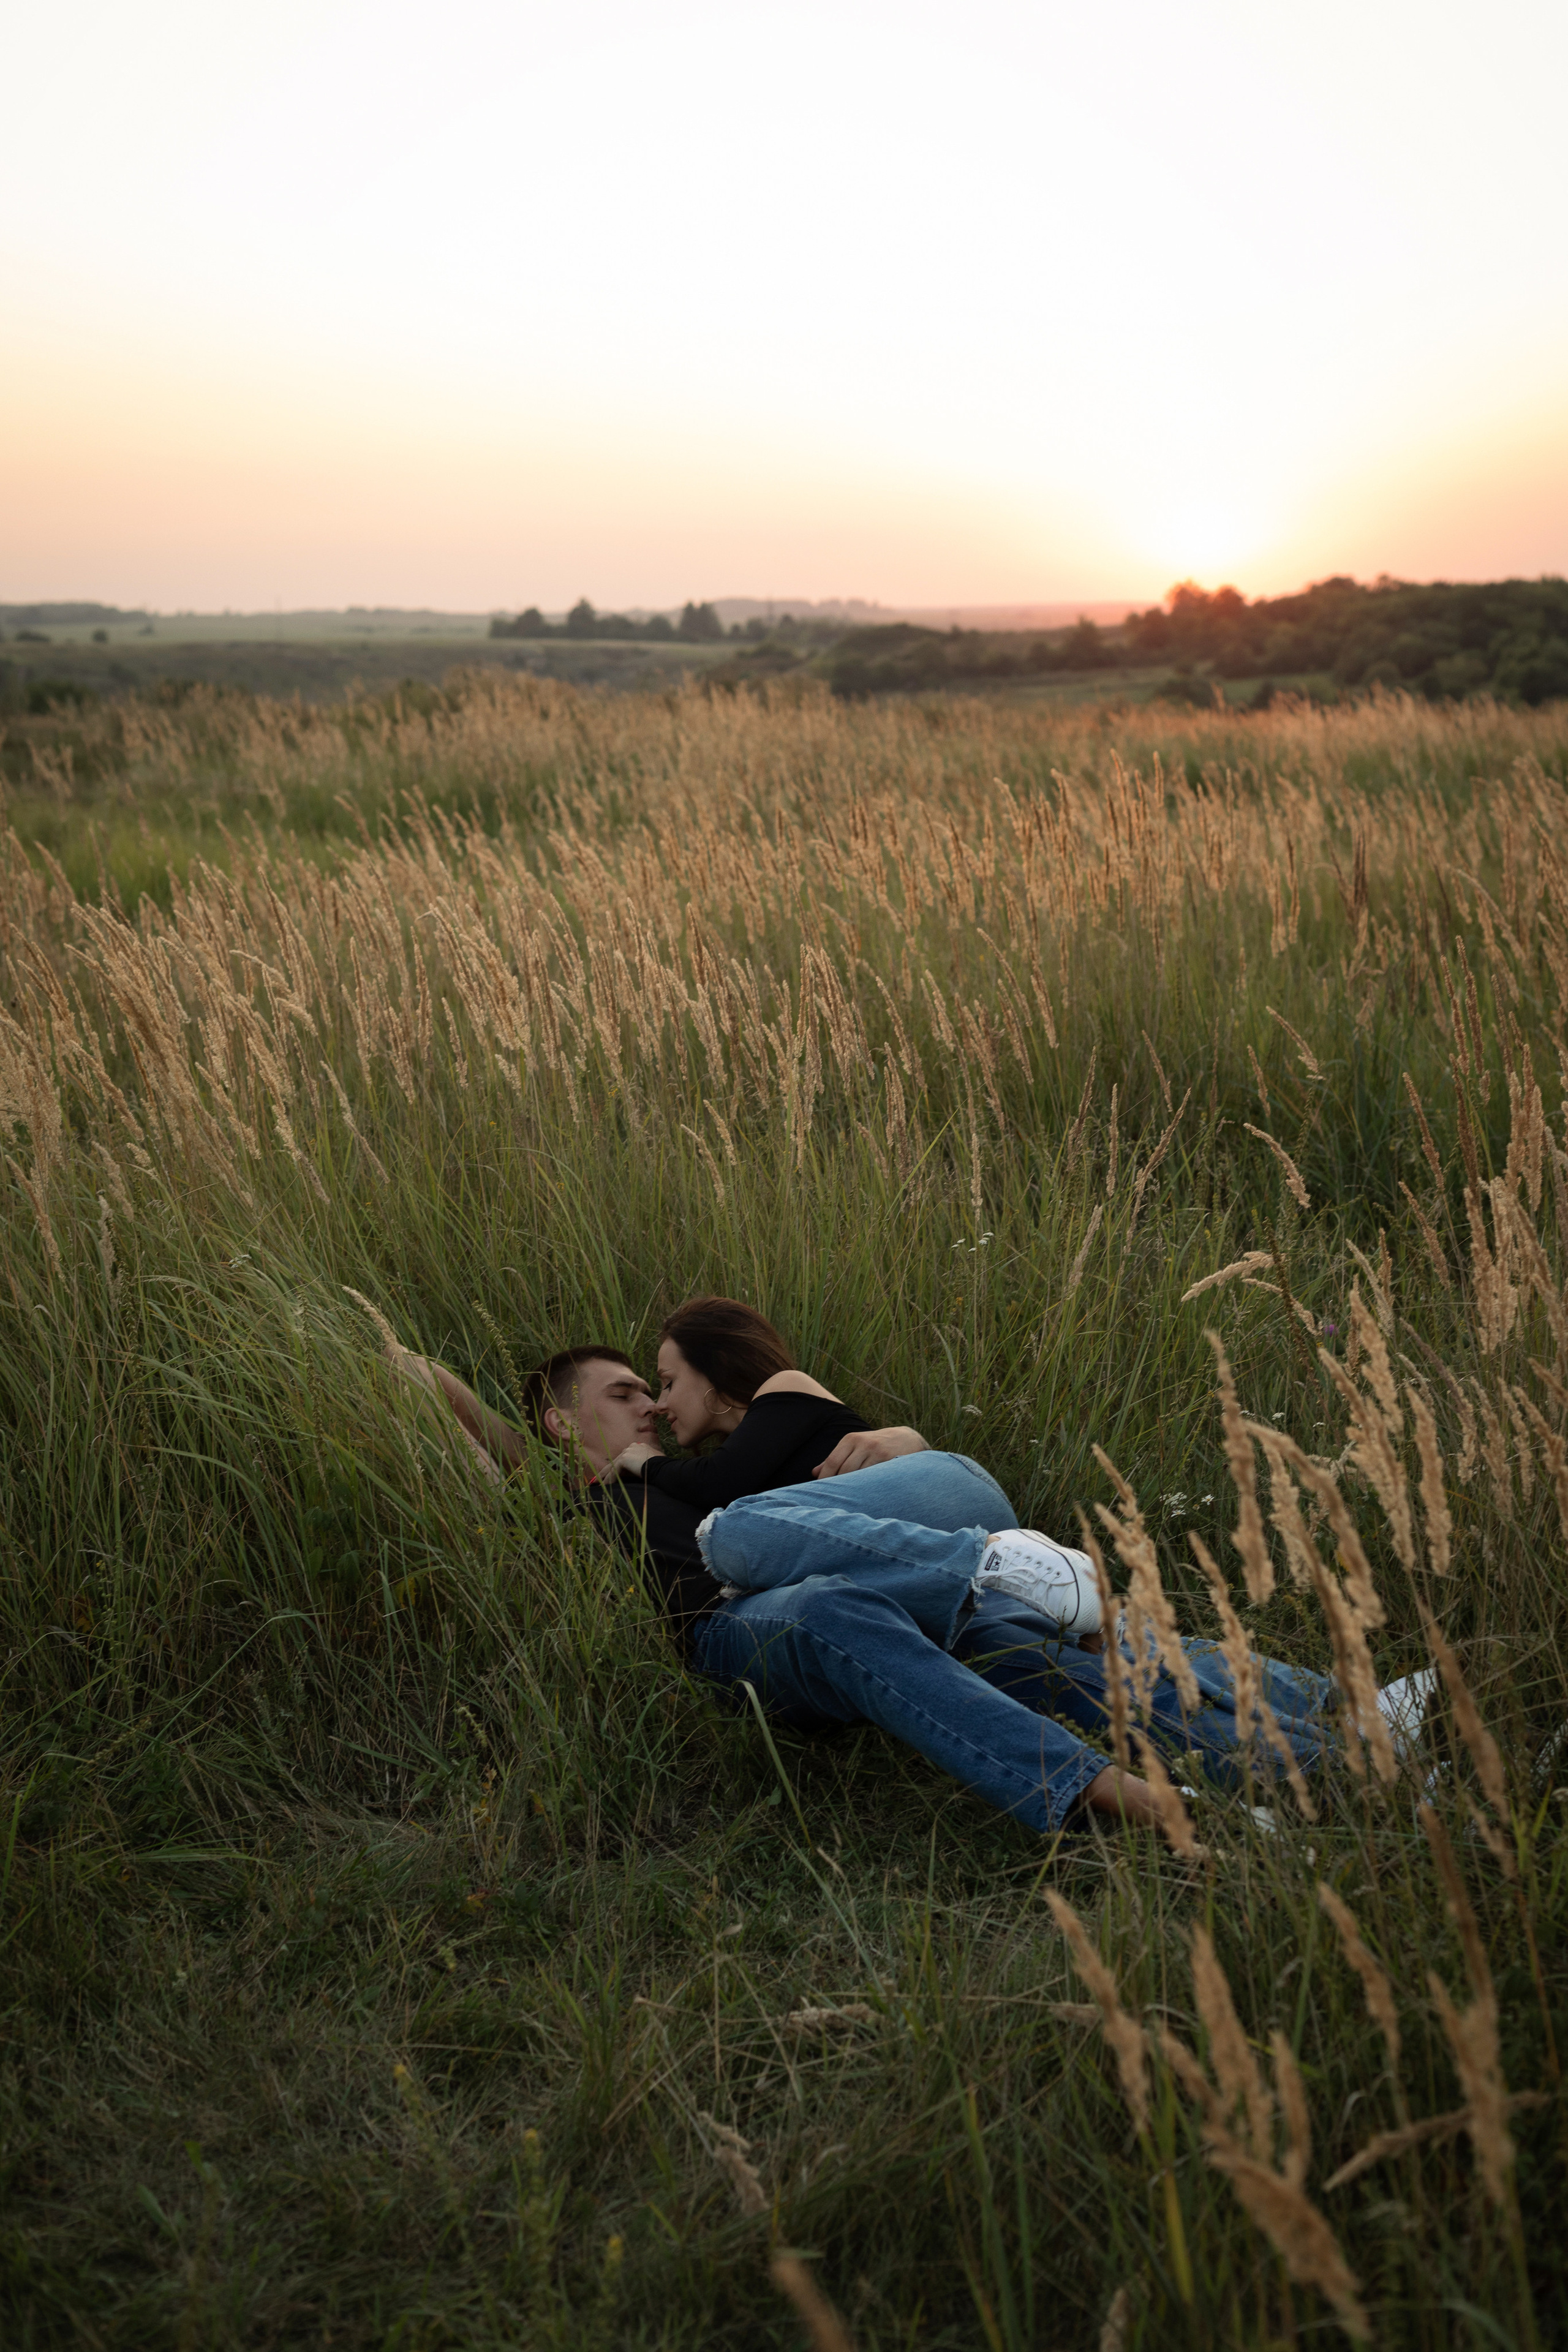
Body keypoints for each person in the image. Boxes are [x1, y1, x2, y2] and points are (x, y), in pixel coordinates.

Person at [399, 1332, 1180, 1834]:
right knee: (828, 1610)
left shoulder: (691, 1475)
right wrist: (367, 1334)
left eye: (651, 1388)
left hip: (854, 1590)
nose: (649, 1407)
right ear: (562, 1427)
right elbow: (425, 1384)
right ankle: (1112, 1794)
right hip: (731, 1631)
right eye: (622, 1394)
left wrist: (907, 1442)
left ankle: (1286, 1731)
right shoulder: (554, 1501)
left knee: (1016, 1643)